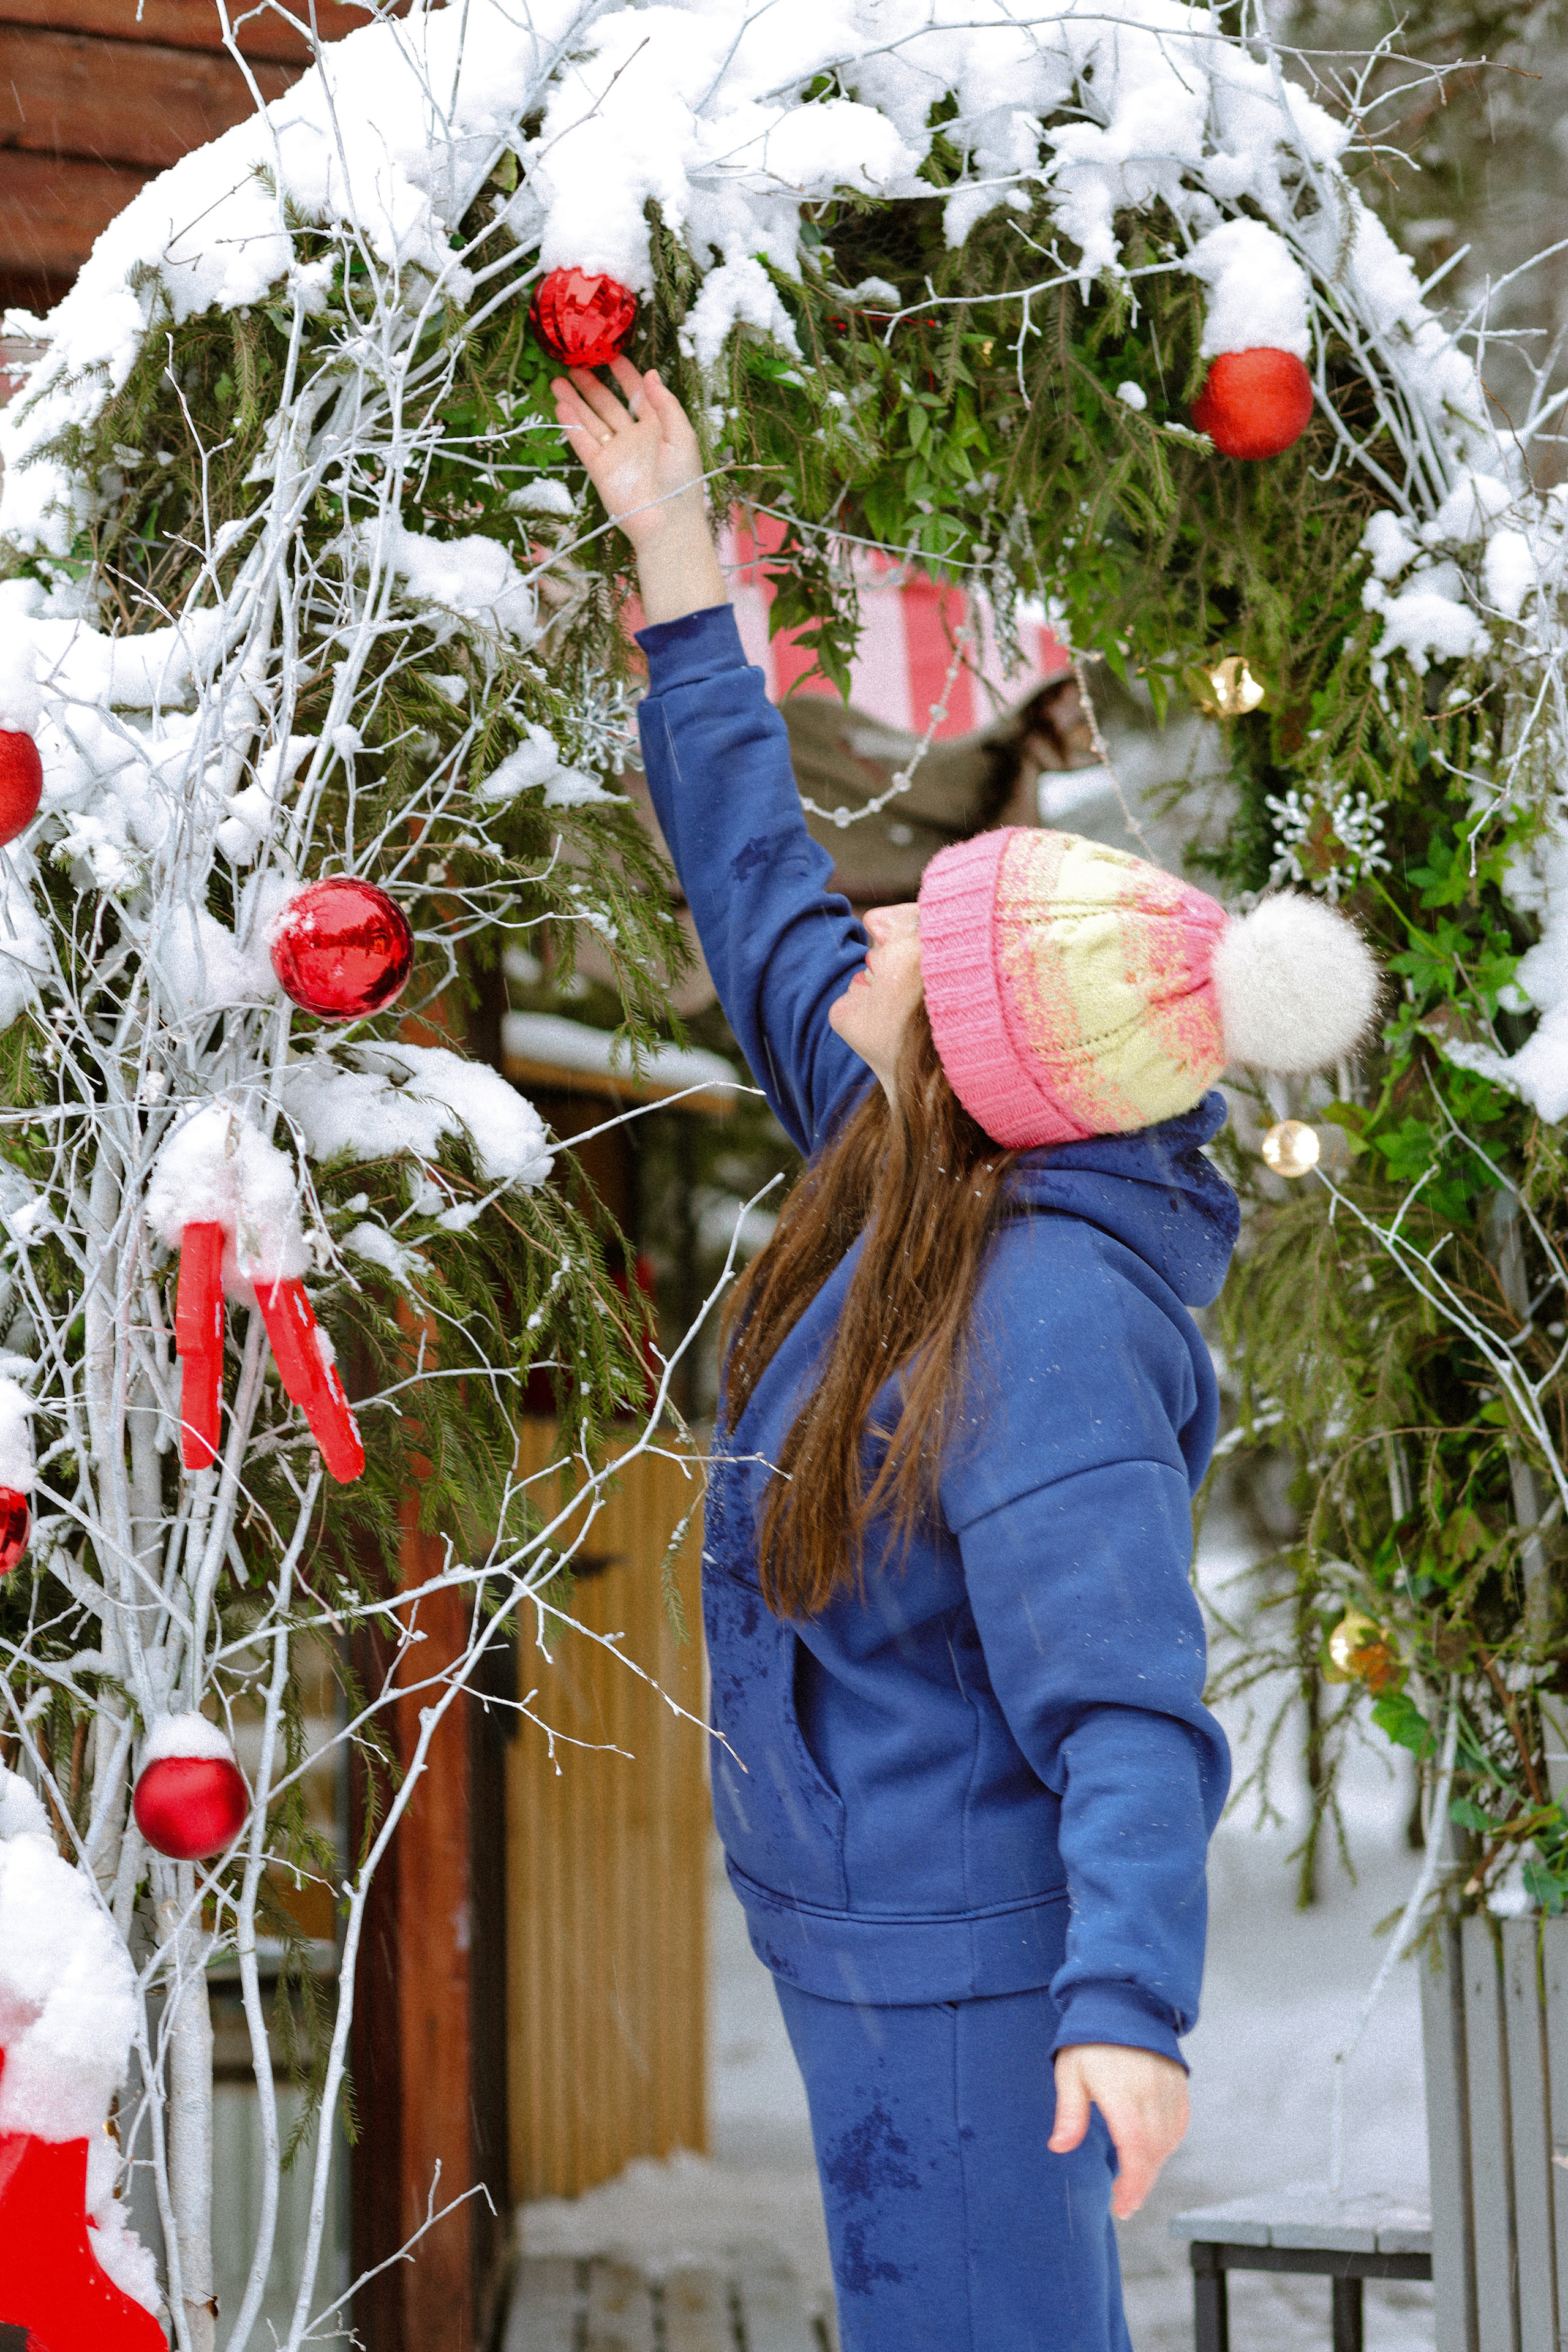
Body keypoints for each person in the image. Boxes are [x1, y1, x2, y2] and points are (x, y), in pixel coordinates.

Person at [551, 356, 1379, 2351]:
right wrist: (675, 554)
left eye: (927, 937)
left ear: (994, 1068)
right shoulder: (908, 1155)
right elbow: (759, 894)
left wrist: (1122, 2015)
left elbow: (1128, 1705)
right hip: (875, 1933)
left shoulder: (1048, 1313)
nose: (881, 939)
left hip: (976, 1985)